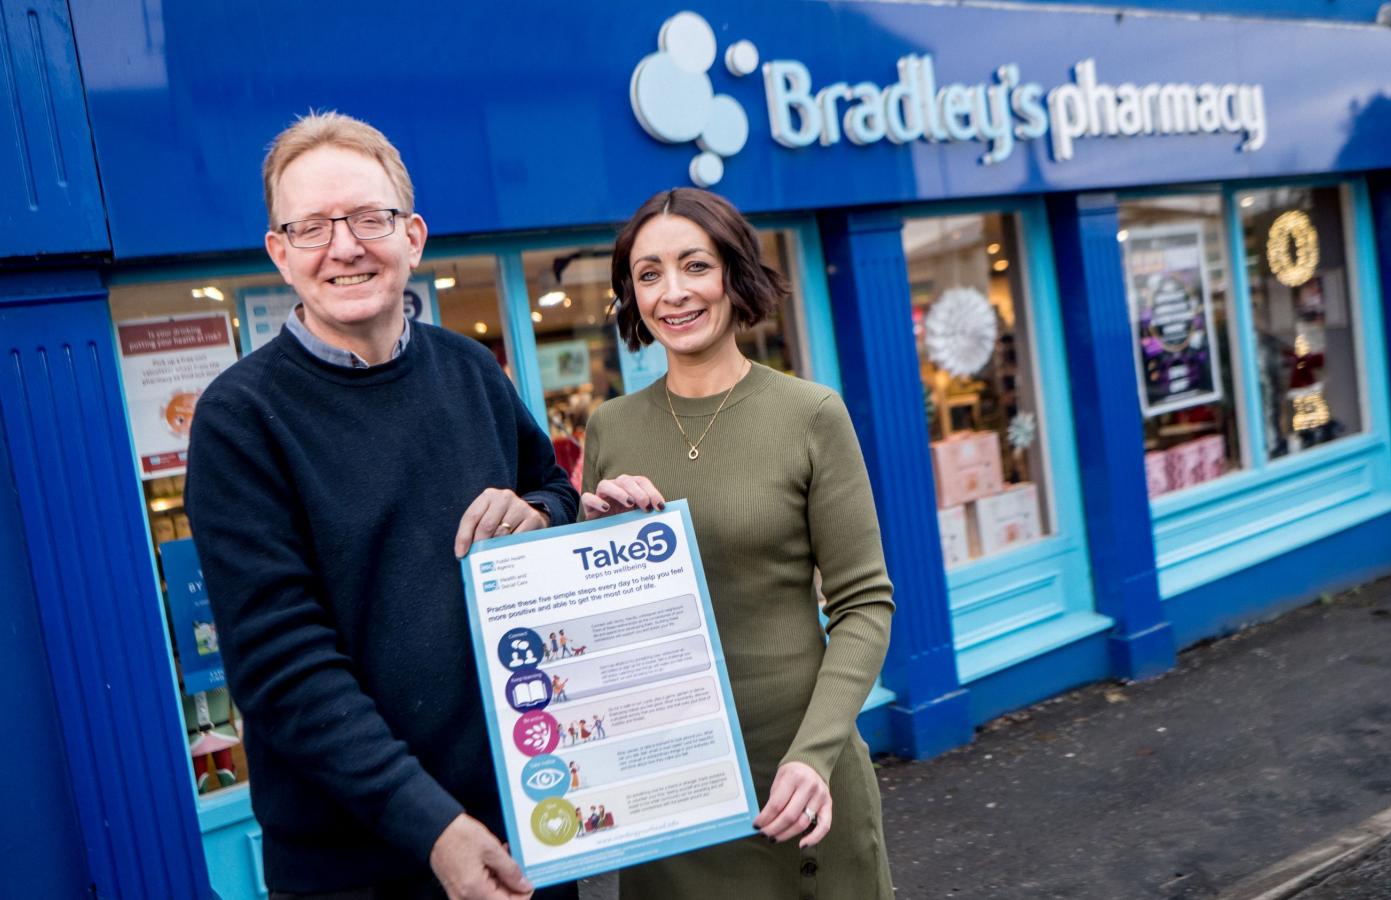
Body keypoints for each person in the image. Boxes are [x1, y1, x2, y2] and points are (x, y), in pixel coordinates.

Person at [185, 112, 578, 900]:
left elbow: (555, 491)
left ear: (414, 237)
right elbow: (282, 667)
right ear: (281, 253)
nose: (345, 245)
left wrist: (537, 514)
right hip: (355, 869)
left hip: (525, 821)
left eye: (369, 218)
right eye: (313, 226)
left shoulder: (472, 370)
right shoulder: (239, 420)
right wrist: (432, 825)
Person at [581, 187, 895, 898]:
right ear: (631, 295)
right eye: (649, 274)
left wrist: (814, 757)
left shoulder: (811, 414)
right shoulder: (609, 428)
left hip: (799, 781)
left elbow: (865, 605)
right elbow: (597, 630)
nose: (673, 293)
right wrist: (593, 537)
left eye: (695, 265)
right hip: (668, 786)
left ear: (734, 274)